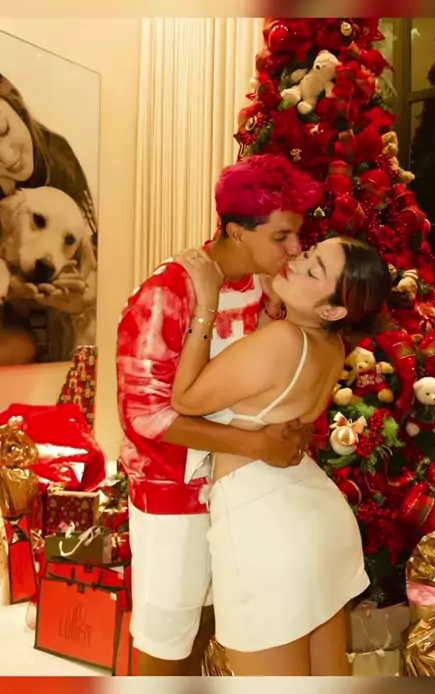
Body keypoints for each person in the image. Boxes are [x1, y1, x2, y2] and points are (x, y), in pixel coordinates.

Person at [116, 153, 322, 676]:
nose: (294, 248)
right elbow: (145, 417)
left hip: (240, 491)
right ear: (236, 231)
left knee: (215, 630)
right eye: (281, 236)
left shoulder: (265, 289)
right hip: (172, 494)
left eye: (296, 234)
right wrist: (256, 445)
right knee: (169, 641)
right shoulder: (167, 292)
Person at [171, 235, 391, 676]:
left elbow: (185, 399)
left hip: (267, 530)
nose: (297, 261)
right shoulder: (330, 346)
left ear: (333, 310)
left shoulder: (283, 340)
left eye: (313, 270)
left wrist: (206, 305)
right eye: (309, 253)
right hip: (311, 520)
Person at [0, 73, 96, 361]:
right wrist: (10, 288)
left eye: (3, 130)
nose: (7, 158)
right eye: (38, 221)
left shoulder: (60, 161)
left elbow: (93, 274)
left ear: (16, 106)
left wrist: (79, 302)